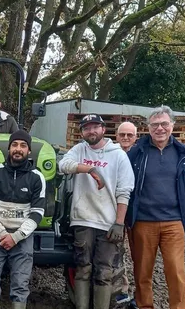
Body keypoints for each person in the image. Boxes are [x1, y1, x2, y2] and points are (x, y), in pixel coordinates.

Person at [58, 114, 134, 309]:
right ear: (82, 132)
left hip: (108, 223)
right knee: (83, 269)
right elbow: (63, 165)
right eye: (86, 128)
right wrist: (90, 169)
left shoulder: (118, 155)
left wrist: (119, 222)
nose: (91, 131)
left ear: (103, 129)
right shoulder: (79, 149)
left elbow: (124, 191)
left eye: (95, 127)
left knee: (104, 273)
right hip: (83, 220)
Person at [126, 105, 185, 309]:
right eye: (155, 125)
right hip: (143, 221)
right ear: (148, 127)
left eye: (164, 124)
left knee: (176, 272)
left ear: (172, 125)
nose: (160, 128)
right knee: (142, 272)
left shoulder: (183, 153)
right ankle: (145, 306)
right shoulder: (137, 152)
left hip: (174, 221)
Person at [0, 130, 45, 309]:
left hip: (22, 238)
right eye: (14, 145)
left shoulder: (37, 177)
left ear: (29, 151)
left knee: (21, 285)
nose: (18, 149)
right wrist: (2, 234)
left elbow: (38, 212)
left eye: (23, 146)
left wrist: (16, 237)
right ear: (9, 149)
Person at [114, 121, 138, 305]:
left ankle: (141, 294)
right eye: (122, 134)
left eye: (130, 135)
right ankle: (122, 289)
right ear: (116, 135)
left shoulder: (141, 155)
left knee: (140, 255)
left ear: (135, 137)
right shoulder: (112, 154)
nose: (126, 138)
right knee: (117, 251)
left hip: (138, 211)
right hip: (116, 210)